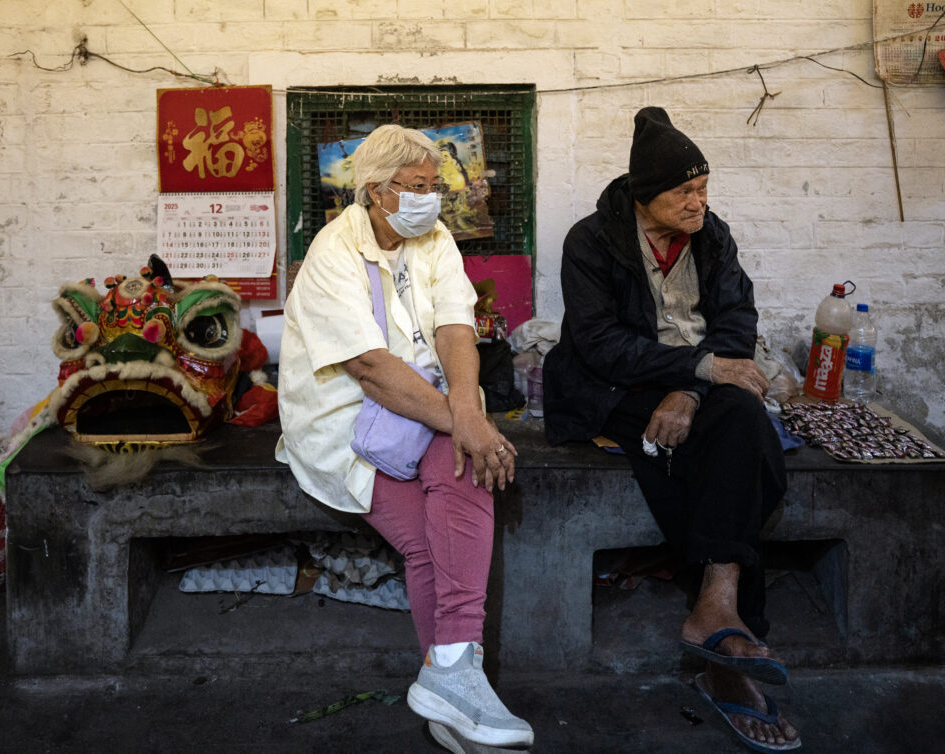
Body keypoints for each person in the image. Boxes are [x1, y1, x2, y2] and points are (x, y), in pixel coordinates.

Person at [543, 107, 801, 753]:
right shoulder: (592, 240)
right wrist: (698, 367)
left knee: (737, 424)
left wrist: (691, 384)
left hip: (695, 380)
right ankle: (725, 648)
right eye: (685, 191)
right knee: (726, 450)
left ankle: (718, 605)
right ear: (645, 196)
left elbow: (737, 318)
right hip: (611, 386)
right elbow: (600, 344)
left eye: (704, 188)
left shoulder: (712, 236)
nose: (698, 202)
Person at [276, 124, 534, 750]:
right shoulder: (334, 253)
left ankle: (449, 678)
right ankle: (452, 687)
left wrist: (467, 410)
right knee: (427, 543)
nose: (430, 199)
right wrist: (466, 421)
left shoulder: (434, 238)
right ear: (375, 191)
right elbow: (369, 368)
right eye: (415, 187)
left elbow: (455, 329)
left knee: (464, 463)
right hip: (345, 420)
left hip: (422, 406)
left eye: (433, 186)